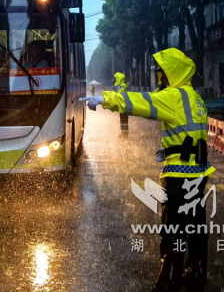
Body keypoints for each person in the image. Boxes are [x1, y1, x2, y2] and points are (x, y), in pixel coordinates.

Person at [85, 48, 215, 292]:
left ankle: (169, 284)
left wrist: (106, 99)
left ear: (170, 73)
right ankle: (195, 278)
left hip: (178, 176)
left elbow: (143, 102)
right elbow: (190, 136)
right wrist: (168, 150)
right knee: (197, 230)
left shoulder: (174, 96)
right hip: (197, 173)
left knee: (173, 231)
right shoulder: (194, 97)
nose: (158, 77)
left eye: (161, 73)